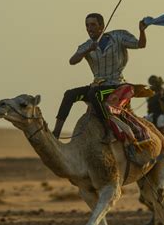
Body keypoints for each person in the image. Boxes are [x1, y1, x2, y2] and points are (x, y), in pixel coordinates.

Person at [52, 13, 148, 142]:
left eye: (93, 25)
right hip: (97, 85)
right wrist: (87, 50)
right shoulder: (87, 45)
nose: (89, 28)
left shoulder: (118, 37)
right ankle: (56, 132)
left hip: (115, 85)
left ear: (101, 26)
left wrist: (142, 31)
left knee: (94, 94)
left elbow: (140, 44)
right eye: (87, 25)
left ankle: (108, 129)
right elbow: (72, 61)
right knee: (69, 94)